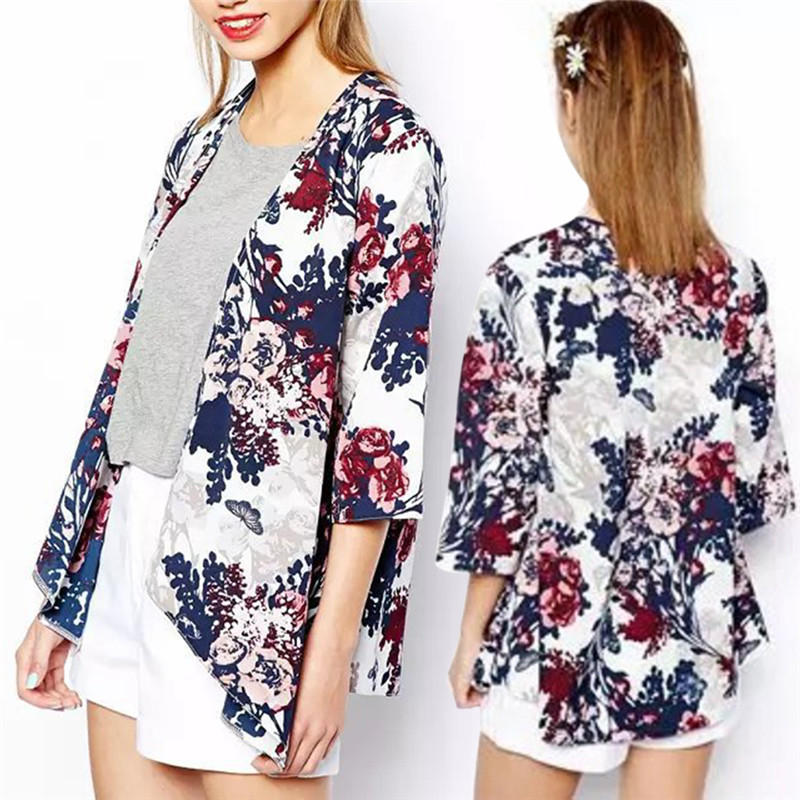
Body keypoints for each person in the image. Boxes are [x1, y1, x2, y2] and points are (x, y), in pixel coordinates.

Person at [16, 2, 446, 799]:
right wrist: (71, 595)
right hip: (125, 561)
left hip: (251, 591)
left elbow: (384, 420)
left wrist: (330, 649)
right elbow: (137, 366)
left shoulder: (386, 145)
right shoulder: (199, 143)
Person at [436, 2, 794, 799]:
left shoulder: (527, 281)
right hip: (690, 627)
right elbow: (754, 488)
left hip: (551, 630)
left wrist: (470, 636)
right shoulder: (738, 284)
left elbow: (497, 492)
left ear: (574, 108)